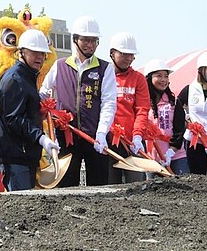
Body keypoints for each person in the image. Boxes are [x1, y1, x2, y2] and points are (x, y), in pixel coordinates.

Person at [39, 15, 116, 187]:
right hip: (67, 137)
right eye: (85, 40)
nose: (90, 45)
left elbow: (109, 103)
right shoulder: (60, 66)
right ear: (75, 40)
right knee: (66, 186)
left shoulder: (105, 68)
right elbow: (44, 94)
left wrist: (102, 132)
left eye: (94, 40)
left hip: (95, 137)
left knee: (99, 186)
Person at [0, 29, 60, 191]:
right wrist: (41, 137)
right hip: (15, 156)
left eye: (42, 54)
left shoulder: (27, 77)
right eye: (34, 52)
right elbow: (14, 118)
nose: (39, 57)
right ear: (21, 52)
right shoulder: (15, 79)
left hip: (24, 155)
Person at [107, 32, 149, 184]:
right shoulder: (104, 76)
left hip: (132, 142)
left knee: (137, 185)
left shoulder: (138, 78)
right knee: (109, 186)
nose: (128, 58)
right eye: (124, 54)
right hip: (108, 142)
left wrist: (138, 135)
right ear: (112, 53)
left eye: (131, 55)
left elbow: (142, 110)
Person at [143, 59, 189, 175]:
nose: (163, 80)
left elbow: (179, 129)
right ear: (149, 78)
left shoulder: (173, 102)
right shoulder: (142, 101)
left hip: (175, 155)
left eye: (166, 76)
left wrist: (171, 151)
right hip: (152, 158)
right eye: (159, 76)